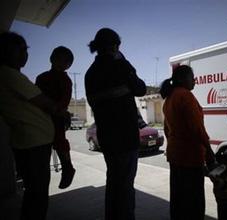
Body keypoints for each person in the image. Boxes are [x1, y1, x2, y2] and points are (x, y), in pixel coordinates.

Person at [85, 28, 146, 220]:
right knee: (126, 186)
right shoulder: (120, 66)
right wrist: (123, 61)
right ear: (115, 46)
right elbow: (141, 89)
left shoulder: (90, 73)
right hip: (126, 137)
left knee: (113, 182)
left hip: (107, 137)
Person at [0, 32, 62, 220]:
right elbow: (45, 102)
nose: (25, 55)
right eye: (20, 50)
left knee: (35, 192)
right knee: (37, 194)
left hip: (30, 142)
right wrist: (61, 112)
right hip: (33, 143)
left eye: (26, 50)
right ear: (6, 51)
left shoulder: (11, 75)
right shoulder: (8, 73)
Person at [160, 65, 215, 220]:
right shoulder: (186, 96)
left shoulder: (169, 99)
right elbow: (197, 128)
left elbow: (166, 130)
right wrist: (209, 151)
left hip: (175, 156)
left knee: (178, 200)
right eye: (192, 77)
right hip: (190, 158)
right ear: (183, 79)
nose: (195, 80)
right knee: (194, 203)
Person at [35, 46, 76, 189]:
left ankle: (67, 166)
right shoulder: (42, 78)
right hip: (42, 116)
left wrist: (58, 110)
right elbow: (36, 96)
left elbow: (65, 100)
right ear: (52, 59)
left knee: (59, 140)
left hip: (56, 115)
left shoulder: (65, 80)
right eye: (59, 59)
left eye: (66, 61)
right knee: (47, 144)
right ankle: (66, 168)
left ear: (69, 65)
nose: (62, 63)